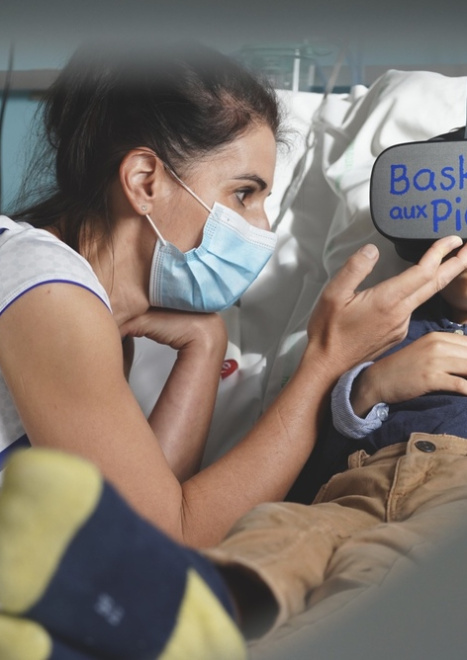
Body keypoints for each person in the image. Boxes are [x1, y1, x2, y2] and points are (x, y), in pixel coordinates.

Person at [2, 39, 467, 658]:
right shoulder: (47, 294)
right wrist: (325, 362)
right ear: (144, 181)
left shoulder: (84, 309)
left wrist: (205, 344)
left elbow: (142, 521)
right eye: (244, 193)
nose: (262, 227)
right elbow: (169, 536)